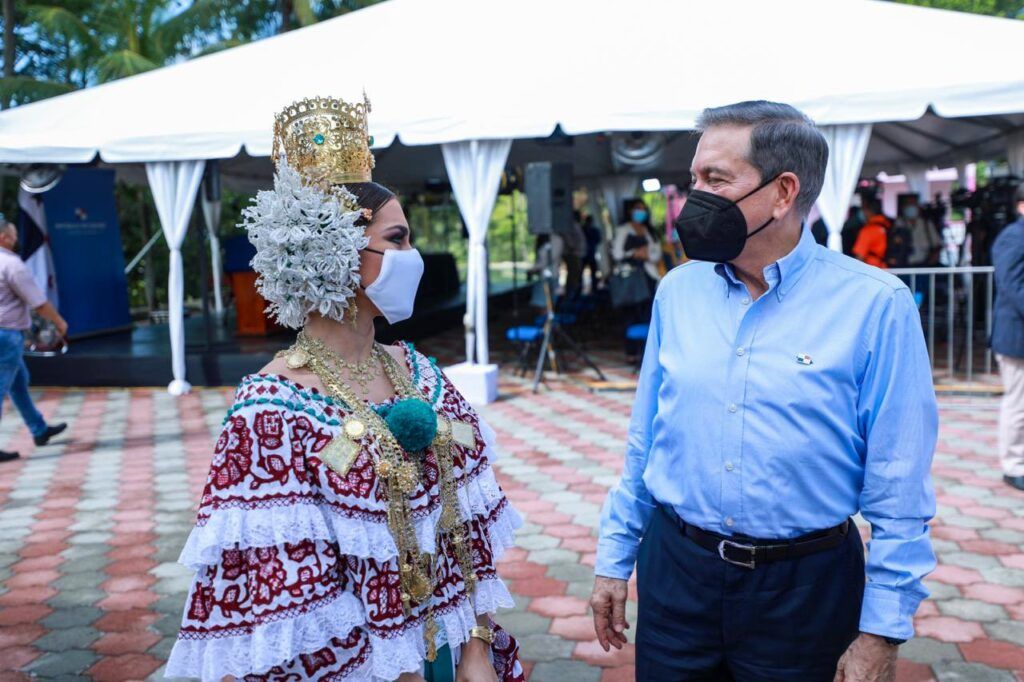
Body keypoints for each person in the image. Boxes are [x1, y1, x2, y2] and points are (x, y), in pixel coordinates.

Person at [166, 95, 525, 682]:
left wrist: (478, 650)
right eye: (399, 238)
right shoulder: (271, 413)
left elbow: (469, 530)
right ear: (336, 252)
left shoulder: (421, 374)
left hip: (454, 656)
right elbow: (292, 591)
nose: (413, 255)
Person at [591, 101, 937, 681]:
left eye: (715, 180)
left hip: (806, 590)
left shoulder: (876, 306)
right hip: (677, 573)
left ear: (783, 193)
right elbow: (647, 441)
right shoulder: (678, 292)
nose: (692, 196)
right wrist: (613, 559)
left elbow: (899, 488)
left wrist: (882, 630)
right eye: (693, 179)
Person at [0, 216, 67, 462]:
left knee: (19, 382)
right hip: (6, 335)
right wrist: (60, 323)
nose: (16, 239)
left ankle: (39, 429)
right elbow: (38, 302)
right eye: (13, 235)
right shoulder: (11, 264)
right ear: (3, 238)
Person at [991, 182, 1024, 492]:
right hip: (1016, 335)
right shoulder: (1014, 236)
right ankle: (1013, 465)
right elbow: (1012, 285)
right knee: (1018, 403)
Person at [611, 200, 661, 362]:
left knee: (647, 313)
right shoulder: (623, 230)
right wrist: (633, 253)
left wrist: (647, 255)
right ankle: (631, 351)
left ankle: (648, 352)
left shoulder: (649, 231)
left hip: (648, 276)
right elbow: (617, 254)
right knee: (630, 314)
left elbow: (656, 253)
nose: (640, 212)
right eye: (637, 209)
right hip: (630, 278)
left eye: (643, 209)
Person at [853, 196, 891, 268]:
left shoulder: (868, 231)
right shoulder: (887, 225)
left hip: (872, 270)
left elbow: (860, 257)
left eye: (863, 209)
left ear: (868, 210)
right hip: (887, 269)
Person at [581, 212, 603, 291]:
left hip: (589, 253)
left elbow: (598, 240)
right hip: (586, 253)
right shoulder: (583, 230)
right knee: (582, 272)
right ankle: (585, 288)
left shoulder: (590, 230)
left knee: (593, 272)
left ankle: (594, 287)